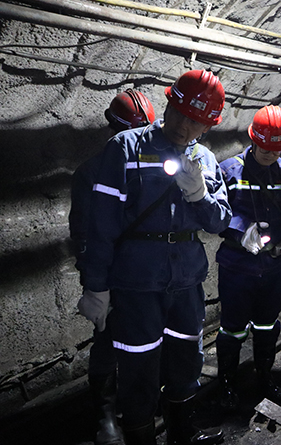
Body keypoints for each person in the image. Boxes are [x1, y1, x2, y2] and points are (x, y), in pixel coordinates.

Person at [78, 69, 231, 445]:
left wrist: (200, 195)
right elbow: (101, 226)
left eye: (195, 121)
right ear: (168, 105)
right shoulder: (125, 148)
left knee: (185, 362)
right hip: (137, 285)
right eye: (179, 113)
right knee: (138, 370)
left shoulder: (205, 159)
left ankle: (182, 434)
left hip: (187, 284)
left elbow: (220, 221)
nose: (184, 126)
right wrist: (96, 286)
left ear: (207, 126)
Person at [70, 89, 156, 445]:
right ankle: (105, 417)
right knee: (106, 341)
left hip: (145, 274)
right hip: (110, 274)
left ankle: (139, 405)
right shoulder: (92, 172)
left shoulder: (152, 167)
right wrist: (96, 285)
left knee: (147, 340)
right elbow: (84, 234)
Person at [215, 104, 281, 407]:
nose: (270, 154)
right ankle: (227, 385)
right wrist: (239, 232)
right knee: (232, 329)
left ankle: (264, 378)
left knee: (267, 325)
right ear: (253, 140)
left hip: (273, 267)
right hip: (238, 267)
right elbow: (213, 217)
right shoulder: (229, 170)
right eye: (265, 148)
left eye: (277, 150)